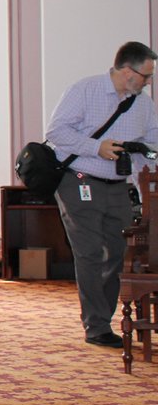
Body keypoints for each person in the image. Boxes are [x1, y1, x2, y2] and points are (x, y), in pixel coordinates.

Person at [47, 41, 158, 348]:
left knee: (119, 253)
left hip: (118, 187)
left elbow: (151, 143)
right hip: (79, 182)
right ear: (126, 71)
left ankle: (103, 318)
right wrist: (96, 147)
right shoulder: (85, 90)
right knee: (90, 253)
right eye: (145, 76)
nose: (148, 82)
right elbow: (56, 132)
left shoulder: (143, 104)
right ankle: (96, 326)